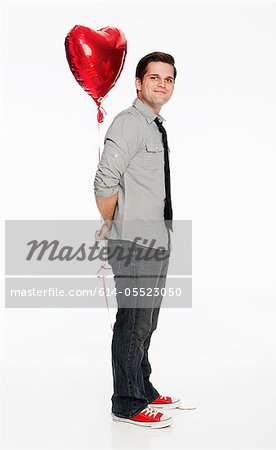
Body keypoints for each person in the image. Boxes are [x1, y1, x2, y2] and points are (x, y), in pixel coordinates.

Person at [94, 52, 180, 429]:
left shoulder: (155, 125)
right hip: (134, 243)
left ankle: (141, 387)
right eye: (154, 77)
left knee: (147, 323)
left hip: (158, 239)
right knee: (132, 323)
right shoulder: (128, 124)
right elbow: (103, 181)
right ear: (138, 82)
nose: (162, 84)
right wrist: (111, 223)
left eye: (169, 78)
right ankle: (127, 403)